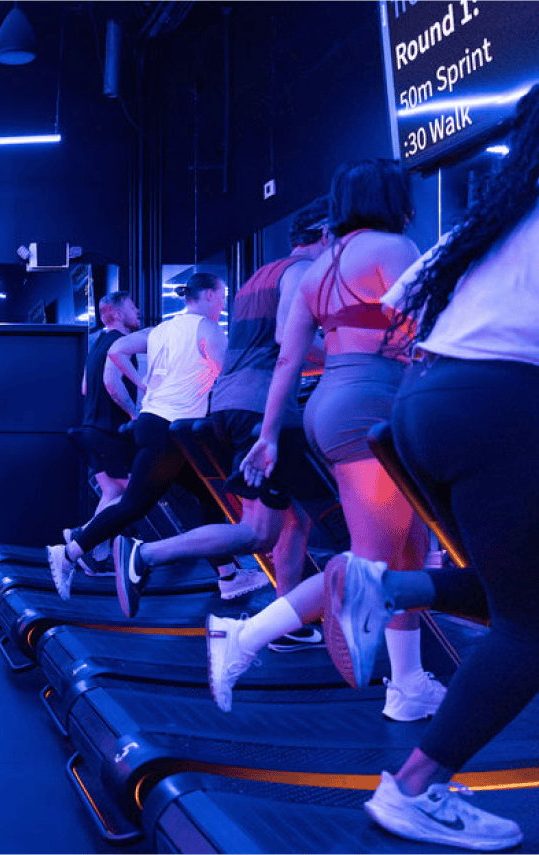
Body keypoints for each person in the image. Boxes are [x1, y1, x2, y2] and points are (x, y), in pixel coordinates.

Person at [322, 84, 539, 851]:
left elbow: (410, 302)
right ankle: (414, 785)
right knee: (532, 623)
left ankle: (386, 585)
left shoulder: (497, 218)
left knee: (513, 581)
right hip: (498, 403)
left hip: (421, 405)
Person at [206, 158, 443, 721]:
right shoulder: (394, 249)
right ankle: (241, 637)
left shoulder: (318, 270)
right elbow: (428, 331)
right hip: (371, 406)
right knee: (369, 561)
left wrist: (268, 434)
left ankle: (407, 685)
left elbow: (288, 357)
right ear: (392, 199)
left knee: (406, 547)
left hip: (330, 406)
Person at [113, 197, 331, 651]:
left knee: (292, 521)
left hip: (230, 404)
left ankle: (285, 620)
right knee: (261, 531)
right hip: (263, 408)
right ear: (326, 236)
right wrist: (349, 353)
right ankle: (147, 553)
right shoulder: (300, 274)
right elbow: (286, 339)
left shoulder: (259, 277)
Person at [47, 272, 230, 599]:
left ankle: (229, 575)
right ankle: (72, 551)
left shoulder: (162, 329)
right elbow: (226, 376)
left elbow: (117, 351)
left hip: (154, 423)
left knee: (206, 497)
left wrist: (146, 386)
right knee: (132, 504)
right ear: (210, 296)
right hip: (169, 430)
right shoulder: (209, 328)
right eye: (222, 296)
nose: (223, 303)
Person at [62, 292, 142, 571]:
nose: (139, 311)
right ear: (118, 314)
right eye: (133, 307)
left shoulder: (96, 344)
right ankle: (81, 540)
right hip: (110, 432)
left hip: (89, 431)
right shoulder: (122, 343)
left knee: (111, 493)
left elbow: (85, 387)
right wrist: (134, 412)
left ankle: (96, 555)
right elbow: (111, 383)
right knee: (134, 495)